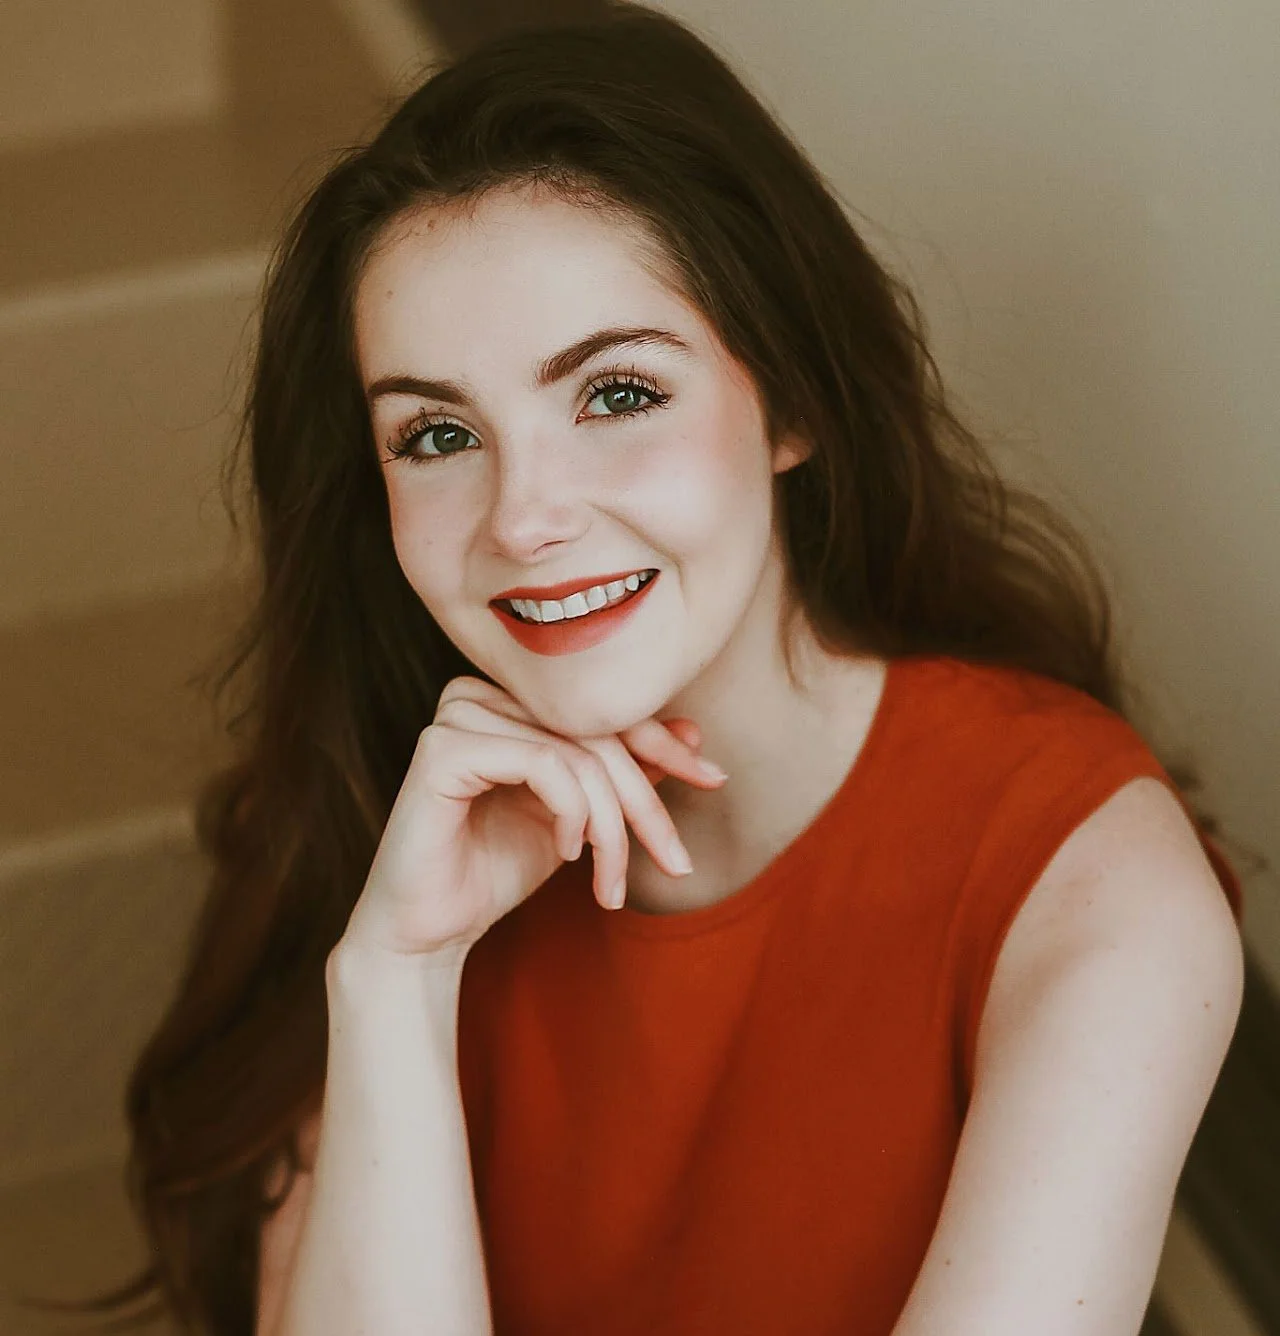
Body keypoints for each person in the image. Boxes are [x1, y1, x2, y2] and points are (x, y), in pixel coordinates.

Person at [49, 4, 1244, 1333]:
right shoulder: (397, 818)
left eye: (617, 395)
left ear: (792, 400)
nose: (521, 517)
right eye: (437, 433)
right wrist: (395, 979)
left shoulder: (1092, 887)